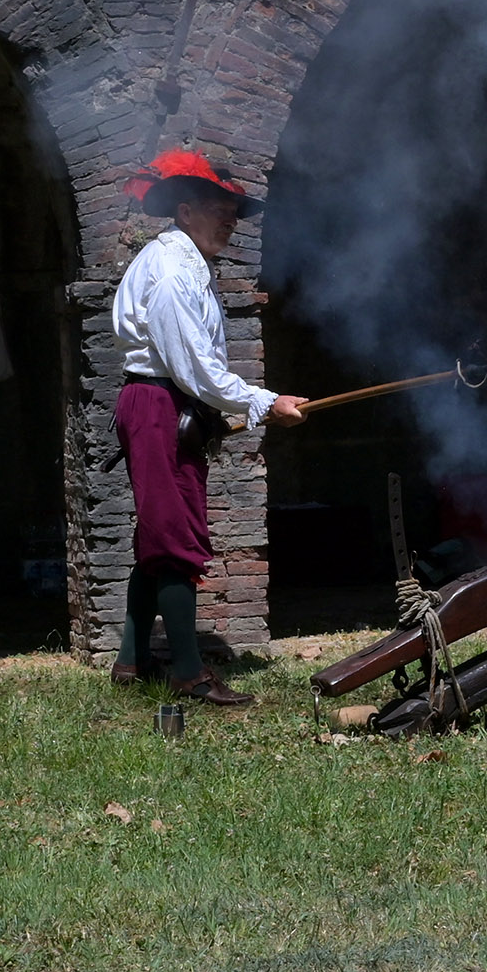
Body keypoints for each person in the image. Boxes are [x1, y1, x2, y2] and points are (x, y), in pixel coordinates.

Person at [108, 149, 309, 705]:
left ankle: (132, 659)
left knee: (159, 531)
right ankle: (189, 673)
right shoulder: (173, 271)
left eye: (235, 213)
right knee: (173, 538)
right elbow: (195, 367)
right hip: (159, 407)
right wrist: (265, 401)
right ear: (187, 209)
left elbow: (194, 370)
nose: (230, 221)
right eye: (222, 208)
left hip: (167, 406)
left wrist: (239, 406)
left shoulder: (187, 263)